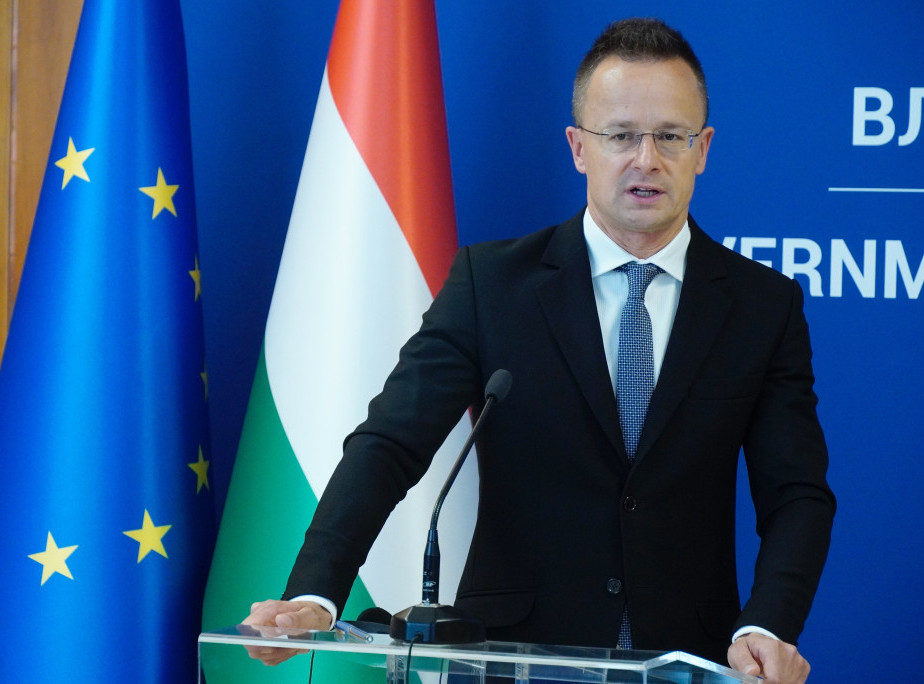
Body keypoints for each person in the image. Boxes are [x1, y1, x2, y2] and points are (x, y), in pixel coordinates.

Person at [244, 17, 835, 683]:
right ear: (579, 147)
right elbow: (390, 443)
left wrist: (766, 625)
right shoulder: (491, 286)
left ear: (703, 148)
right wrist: (315, 592)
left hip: (688, 658)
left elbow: (797, 494)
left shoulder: (762, 306)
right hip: (513, 656)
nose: (647, 159)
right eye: (621, 135)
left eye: (671, 136)